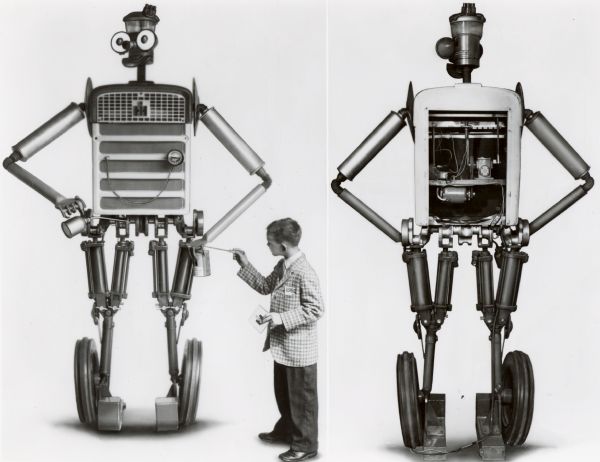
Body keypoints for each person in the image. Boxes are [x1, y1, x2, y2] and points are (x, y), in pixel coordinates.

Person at [233, 218, 323, 462]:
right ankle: (287, 431)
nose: (267, 246)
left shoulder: (304, 272)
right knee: (284, 395)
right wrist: (246, 264)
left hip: (300, 352)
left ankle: (305, 445)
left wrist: (280, 318)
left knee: (301, 400)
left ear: (283, 246)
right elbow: (265, 286)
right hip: (283, 347)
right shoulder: (284, 266)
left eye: (269, 243)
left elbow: (315, 310)